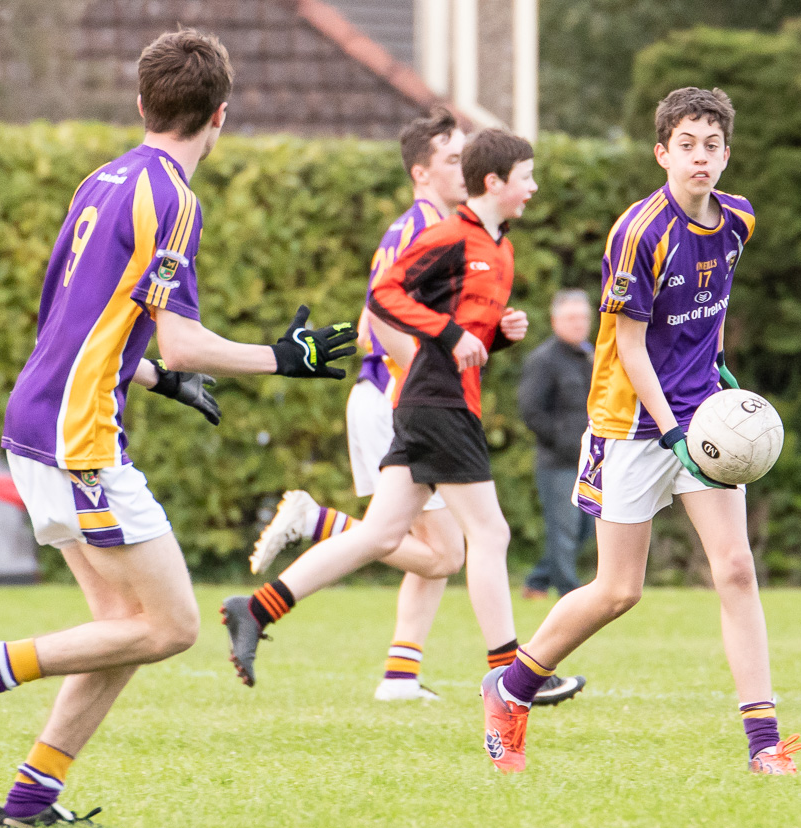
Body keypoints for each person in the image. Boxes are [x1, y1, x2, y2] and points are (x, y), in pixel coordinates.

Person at [0, 28, 356, 828]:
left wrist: (154, 374)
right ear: (220, 116)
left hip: (40, 414)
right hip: (77, 435)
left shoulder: (102, 179)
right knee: (174, 626)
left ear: (142, 103)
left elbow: (76, 316)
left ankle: (28, 800)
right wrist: (280, 357)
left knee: (122, 632)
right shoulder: (174, 199)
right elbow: (180, 332)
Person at [481, 87, 801, 776]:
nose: (700, 157)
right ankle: (511, 689)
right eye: (686, 145)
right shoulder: (639, 232)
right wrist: (670, 431)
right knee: (618, 590)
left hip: (702, 418)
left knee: (737, 570)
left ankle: (764, 743)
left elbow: (702, 311)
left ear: (726, 154)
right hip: (631, 423)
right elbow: (629, 345)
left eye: (712, 146)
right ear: (662, 152)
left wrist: (717, 369)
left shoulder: (739, 219)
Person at [222, 129, 579, 701]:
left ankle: (256, 608)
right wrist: (450, 330)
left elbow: (467, 342)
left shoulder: (502, 248)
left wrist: (498, 337)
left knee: (383, 534)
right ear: (495, 183)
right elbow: (383, 297)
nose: (534, 187)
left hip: (428, 400)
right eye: (527, 177)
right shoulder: (449, 236)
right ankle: (515, 675)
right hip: (438, 404)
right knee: (490, 533)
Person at [518, 290, 596, 600]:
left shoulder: (592, 355)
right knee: (564, 532)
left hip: (591, 460)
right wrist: (562, 441)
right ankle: (569, 594)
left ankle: (537, 581)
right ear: (555, 321)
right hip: (558, 462)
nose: (578, 324)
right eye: (571, 318)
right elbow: (531, 411)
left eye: (583, 318)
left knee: (584, 531)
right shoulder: (543, 360)